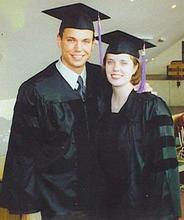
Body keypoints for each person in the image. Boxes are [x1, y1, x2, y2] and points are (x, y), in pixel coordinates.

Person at [0, 3, 110, 220]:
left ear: (93, 43)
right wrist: (31, 210)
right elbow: (23, 155)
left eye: (85, 41)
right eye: (71, 40)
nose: (79, 48)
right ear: (59, 40)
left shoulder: (103, 80)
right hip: (55, 204)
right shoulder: (35, 89)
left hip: (99, 200)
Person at [95, 30, 181, 220]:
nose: (115, 68)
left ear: (135, 68)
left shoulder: (152, 107)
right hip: (106, 207)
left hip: (140, 209)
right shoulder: (100, 106)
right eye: (110, 61)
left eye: (124, 62)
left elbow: (165, 171)